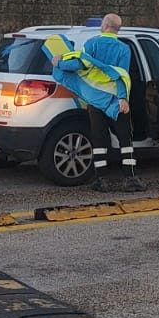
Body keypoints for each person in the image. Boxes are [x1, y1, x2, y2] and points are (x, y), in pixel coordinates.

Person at [58, 13, 143, 193]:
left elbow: (77, 65)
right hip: (115, 101)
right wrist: (123, 98)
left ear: (104, 25)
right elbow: (121, 75)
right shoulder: (124, 49)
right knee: (125, 139)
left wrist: (58, 62)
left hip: (96, 100)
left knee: (99, 139)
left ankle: (101, 179)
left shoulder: (92, 44)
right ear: (118, 29)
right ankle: (130, 178)